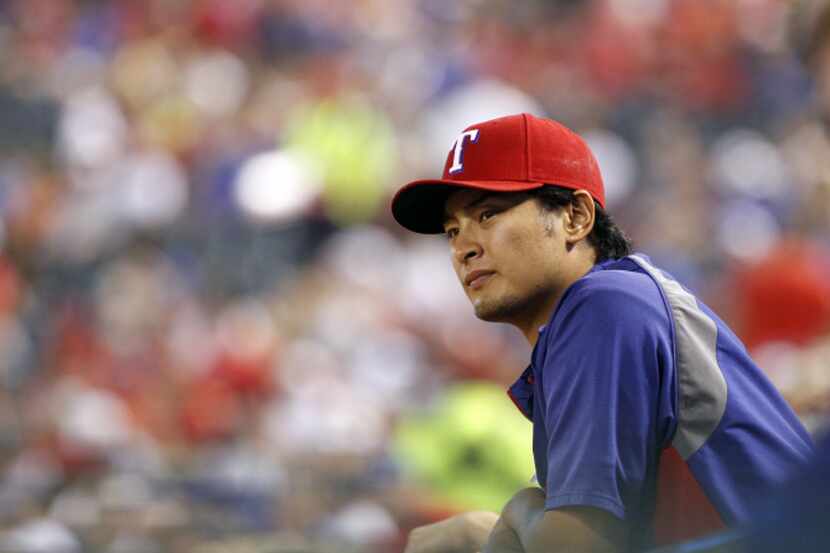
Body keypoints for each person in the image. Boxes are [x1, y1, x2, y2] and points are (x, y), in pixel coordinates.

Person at [390, 113, 814, 553]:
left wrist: (511, 514)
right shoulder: (605, 311)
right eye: (452, 230)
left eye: (489, 213)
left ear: (575, 217)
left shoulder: (605, 305)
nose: (464, 247)